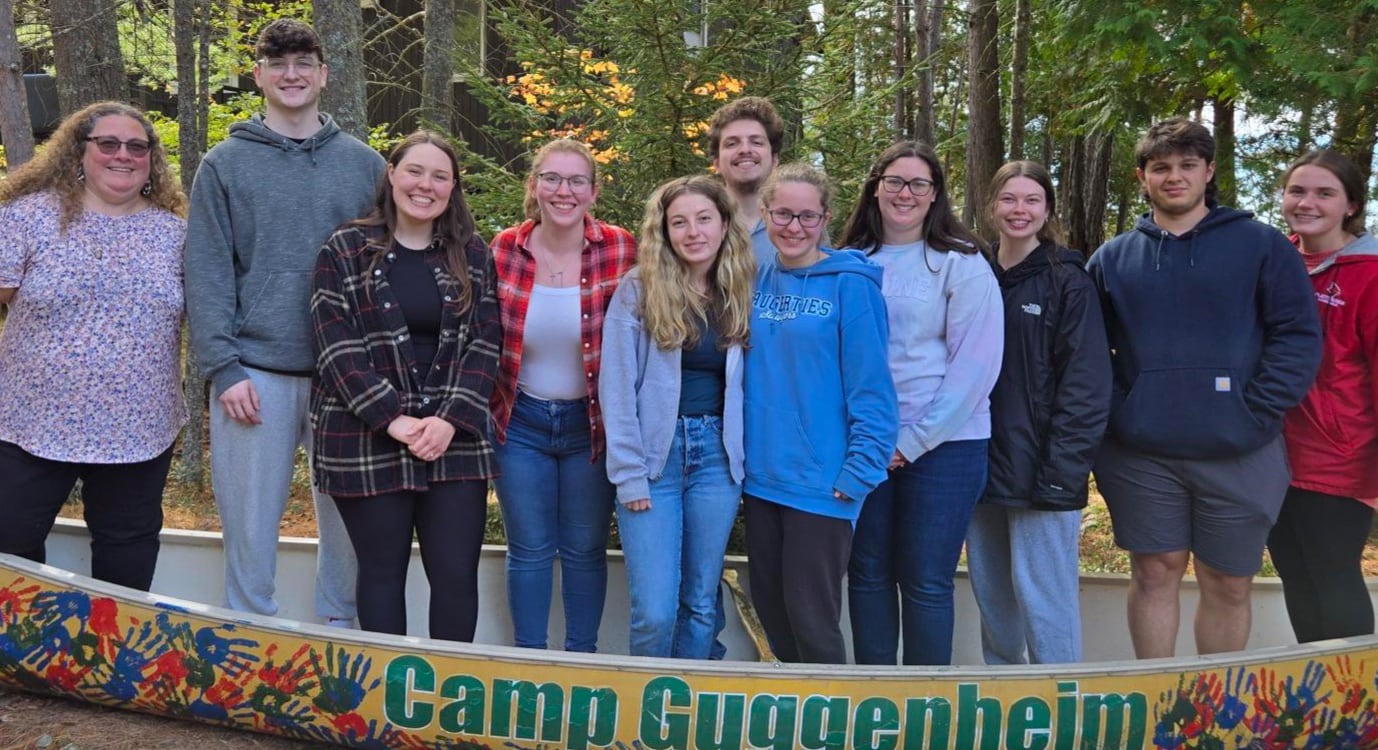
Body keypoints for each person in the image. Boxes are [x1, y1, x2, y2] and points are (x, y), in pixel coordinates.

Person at [1086, 117, 1321, 658]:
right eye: (1161, 167)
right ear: (1141, 176)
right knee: (1153, 571)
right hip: (1141, 453)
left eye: (1188, 165)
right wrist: (1122, 413)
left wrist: (1254, 410)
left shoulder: (1261, 246)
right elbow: (1092, 356)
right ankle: (1155, 703)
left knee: (1228, 580)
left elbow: (1297, 336)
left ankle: (1212, 716)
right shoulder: (1112, 260)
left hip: (1241, 448)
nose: (1175, 177)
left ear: (1208, 171)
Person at [184, 18, 385, 623]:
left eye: (303, 63)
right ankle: (250, 636)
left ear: (324, 74)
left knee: (349, 523)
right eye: (278, 64)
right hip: (254, 374)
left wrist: (381, 371)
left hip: (346, 376)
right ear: (260, 76)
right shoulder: (224, 164)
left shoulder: (366, 165)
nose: (291, 74)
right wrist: (223, 368)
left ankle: (339, 633)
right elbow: (209, 272)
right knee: (248, 524)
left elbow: (388, 268)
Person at [310, 131, 499, 641]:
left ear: (453, 187)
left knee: (457, 576)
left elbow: (486, 343)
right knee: (381, 574)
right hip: (365, 435)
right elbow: (334, 345)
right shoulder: (346, 248)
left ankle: (450, 696)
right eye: (414, 171)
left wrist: (450, 420)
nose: (425, 185)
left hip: (452, 440)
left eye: (440, 176)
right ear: (391, 174)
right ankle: (388, 704)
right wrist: (391, 418)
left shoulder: (471, 254)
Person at [0, 101, 187, 591]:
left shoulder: (176, 234)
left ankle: (115, 663)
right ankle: (20, 660)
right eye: (107, 143)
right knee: (9, 542)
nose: (122, 155)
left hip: (138, 428)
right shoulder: (29, 217)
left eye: (136, 146)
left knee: (127, 554)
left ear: (151, 159)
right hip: (30, 422)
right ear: (77, 152)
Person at [837, 141, 1003, 666]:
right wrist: (868, 440)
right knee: (866, 575)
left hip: (946, 446)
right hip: (863, 443)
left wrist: (911, 442)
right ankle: (875, 700)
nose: (905, 194)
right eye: (894, 182)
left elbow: (975, 367)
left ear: (935, 196)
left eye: (918, 184)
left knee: (927, 579)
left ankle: (926, 711)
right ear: (875, 187)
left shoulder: (961, 262)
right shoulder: (847, 262)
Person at [745, 163, 897, 664]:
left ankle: (833, 726)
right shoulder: (754, 279)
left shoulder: (851, 286)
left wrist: (859, 472)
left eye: (807, 216)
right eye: (783, 214)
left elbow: (873, 388)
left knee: (813, 621)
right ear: (765, 214)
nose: (794, 227)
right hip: (761, 477)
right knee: (772, 612)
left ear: (825, 218)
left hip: (823, 483)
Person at [490, 139, 637, 652]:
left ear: (593, 192)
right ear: (534, 186)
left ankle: (582, 661)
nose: (563, 191)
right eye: (552, 178)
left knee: (584, 550)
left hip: (591, 424)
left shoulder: (622, 248)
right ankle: (530, 662)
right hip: (520, 419)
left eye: (577, 181)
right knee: (528, 549)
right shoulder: (504, 248)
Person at [601, 175, 755, 658]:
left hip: (716, 459)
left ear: (724, 223)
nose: (693, 232)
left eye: (704, 219)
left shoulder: (741, 289)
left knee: (701, 604)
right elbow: (617, 387)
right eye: (679, 222)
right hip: (654, 461)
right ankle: (645, 718)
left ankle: (691, 719)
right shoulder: (638, 290)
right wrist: (629, 474)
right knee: (655, 610)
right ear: (664, 232)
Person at [966, 161, 1112, 665]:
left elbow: (1087, 388)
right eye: (1009, 199)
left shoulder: (1068, 282)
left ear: (1047, 209)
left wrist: (1061, 474)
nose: (1019, 210)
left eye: (1031, 200)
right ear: (991, 206)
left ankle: (1061, 701)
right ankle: (1007, 702)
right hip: (977, 463)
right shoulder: (973, 272)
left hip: (1044, 470)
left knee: (1045, 600)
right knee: (992, 598)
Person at [1267, 149, 1378, 644]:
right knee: (1296, 576)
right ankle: (1317, 705)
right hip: (1270, 455)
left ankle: (1359, 708)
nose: (1307, 202)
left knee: (1333, 578)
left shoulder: (1369, 274)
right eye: (1297, 191)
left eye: (1324, 193)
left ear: (1351, 205)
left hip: (1340, 459)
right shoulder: (1272, 260)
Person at [707, 96, 784, 266]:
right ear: (716, 162)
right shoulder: (698, 225)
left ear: (774, 159)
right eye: (732, 144)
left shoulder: (799, 223)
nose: (745, 150)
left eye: (756, 142)